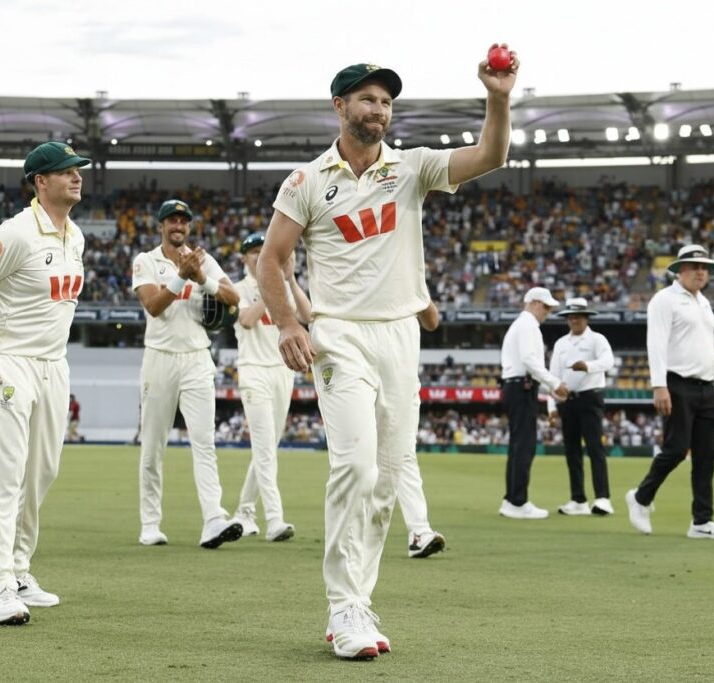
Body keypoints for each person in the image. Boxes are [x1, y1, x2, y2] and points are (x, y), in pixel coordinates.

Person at [257, 51, 519, 660]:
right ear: (340, 107)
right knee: (356, 466)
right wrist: (288, 323)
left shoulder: (413, 168)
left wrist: (498, 99)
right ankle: (343, 604)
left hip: (400, 334)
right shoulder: (304, 182)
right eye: (368, 100)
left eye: (386, 102)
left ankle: (360, 598)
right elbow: (272, 260)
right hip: (339, 333)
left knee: (391, 475)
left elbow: (491, 156)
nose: (379, 110)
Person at [0, 141, 91, 625]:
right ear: (40, 181)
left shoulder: (76, 237)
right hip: (11, 364)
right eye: (65, 171)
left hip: (55, 365)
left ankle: (21, 569)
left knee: (41, 474)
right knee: (4, 478)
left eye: (77, 170)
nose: (76, 177)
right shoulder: (13, 234)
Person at [132, 198, 242, 550]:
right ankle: (150, 523)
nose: (178, 226)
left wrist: (202, 278)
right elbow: (153, 306)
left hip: (197, 357)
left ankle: (213, 519)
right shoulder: (146, 261)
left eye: (184, 222)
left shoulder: (203, 260)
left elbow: (233, 296)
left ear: (189, 227)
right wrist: (182, 277)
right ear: (161, 226)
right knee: (152, 446)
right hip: (160, 358)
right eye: (172, 221)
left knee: (204, 442)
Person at [625, 245, 714, 540]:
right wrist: (658, 385)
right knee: (675, 449)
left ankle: (702, 522)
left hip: (705, 386)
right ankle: (640, 498)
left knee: (706, 455)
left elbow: (706, 346)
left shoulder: (704, 303)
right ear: (679, 269)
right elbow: (656, 344)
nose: (701, 271)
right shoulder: (665, 300)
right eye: (695, 266)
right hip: (677, 383)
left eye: (705, 267)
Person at [229, 232, 310, 543]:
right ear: (244, 259)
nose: (257, 256)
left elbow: (307, 315)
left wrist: (288, 280)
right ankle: (274, 519)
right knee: (264, 449)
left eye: (263, 251)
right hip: (253, 372)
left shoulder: (283, 286)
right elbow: (248, 319)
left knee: (266, 449)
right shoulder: (237, 289)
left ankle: (243, 513)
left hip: (282, 371)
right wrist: (269, 285)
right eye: (252, 253)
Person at [548, 297, 616, 516]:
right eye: (571, 317)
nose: (574, 320)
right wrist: (551, 406)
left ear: (587, 318)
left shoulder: (597, 339)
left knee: (595, 447)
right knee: (572, 451)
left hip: (590, 397)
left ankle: (603, 498)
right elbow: (553, 377)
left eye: (578, 316)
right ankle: (578, 499)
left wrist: (587, 366)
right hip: (567, 401)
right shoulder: (561, 343)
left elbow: (608, 362)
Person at [499, 287, 562, 520]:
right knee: (524, 446)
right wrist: (554, 383)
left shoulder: (522, 325)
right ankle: (517, 501)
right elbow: (529, 360)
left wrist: (549, 387)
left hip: (519, 386)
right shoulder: (527, 325)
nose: (548, 312)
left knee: (519, 445)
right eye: (546, 307)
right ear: (534, 303)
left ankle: (512, 499)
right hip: (521, 387)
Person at [397, 300, 446, 559]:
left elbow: (432, 321)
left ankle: (419, 532)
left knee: (404, 455)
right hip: (358, 375)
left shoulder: (407, 268)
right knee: (357, 462)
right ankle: (349, 535)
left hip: (403, 381)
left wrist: (415, 284)